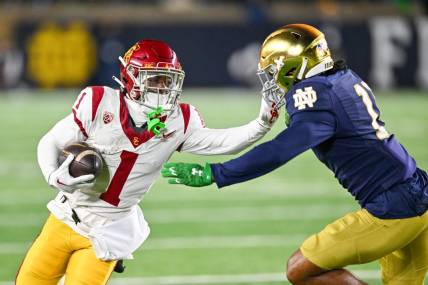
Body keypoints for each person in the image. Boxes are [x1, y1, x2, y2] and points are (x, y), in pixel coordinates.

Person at [161, 24, 428, 285]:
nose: (273, 78)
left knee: (299, 269)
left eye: (275, 69)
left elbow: (280, 150)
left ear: (294, 65)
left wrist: (217, 173)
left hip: (394, 206)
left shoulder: (314, 92)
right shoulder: (343, 76)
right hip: (417, 188)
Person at [15, 39, 279, 285]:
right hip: (64, 216)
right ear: (131, 78)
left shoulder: (179, 121)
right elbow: (50, 141)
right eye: (156, 80)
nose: (164, 89)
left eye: (169, 81)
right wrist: (52, 175)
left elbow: (224, 143)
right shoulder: (98, 102)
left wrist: (262, 124)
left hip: (107, 231)